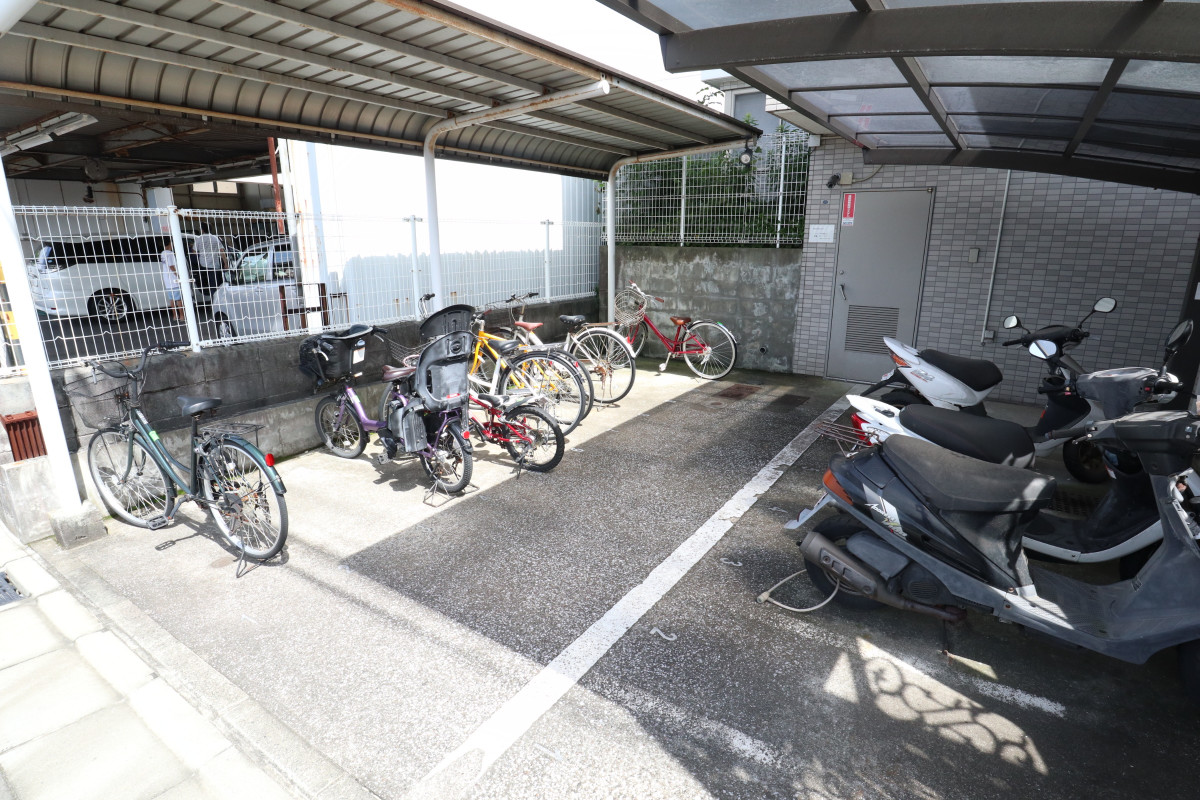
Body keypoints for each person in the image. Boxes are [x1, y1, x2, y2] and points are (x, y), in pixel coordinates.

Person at [192, 223, 228, 305]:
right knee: (216, 286)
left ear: (202, 230)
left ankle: (212, 303)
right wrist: (225, 263)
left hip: (203, 266)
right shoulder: (215, 238)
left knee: (208, 286)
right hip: (215, 265)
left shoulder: (199, 239)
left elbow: (194, 252)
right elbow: (222, 251)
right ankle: (217, 302)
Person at [160, 242, 184, 322]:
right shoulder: (170, 253)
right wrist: (178, 275)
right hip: (173, 279)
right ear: (170, 244)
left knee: (172, 299)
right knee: (178, 299)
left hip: (167, 279)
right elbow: (171, 266)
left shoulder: (163, 253)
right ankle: (181, 316)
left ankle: (175, 316)